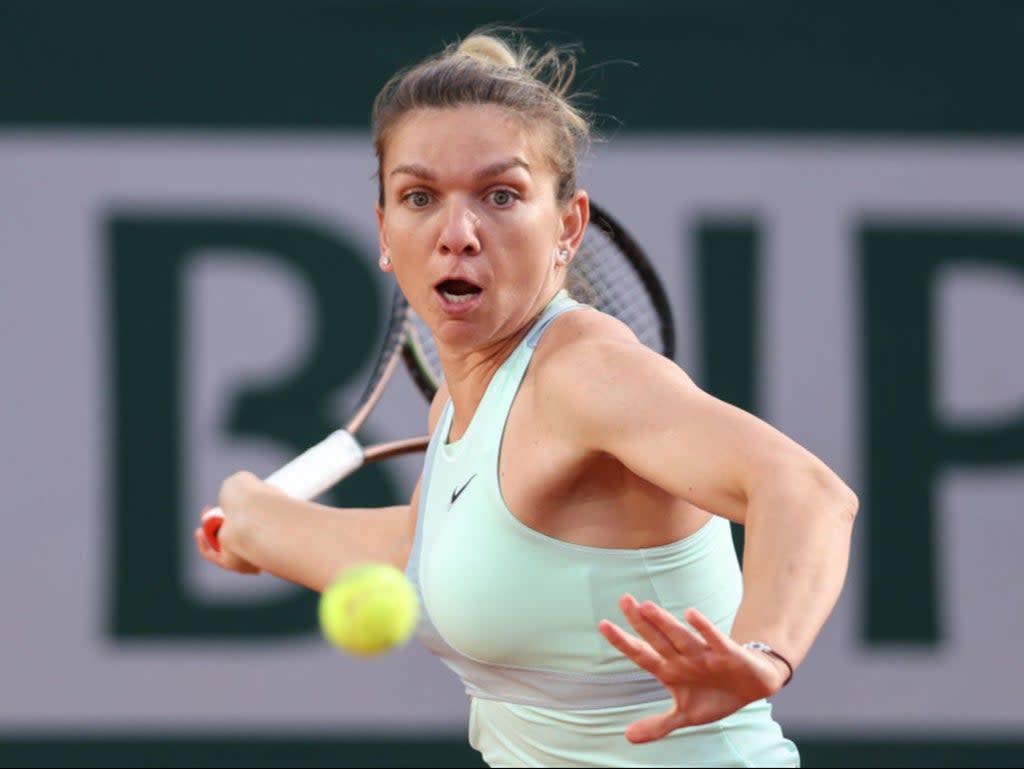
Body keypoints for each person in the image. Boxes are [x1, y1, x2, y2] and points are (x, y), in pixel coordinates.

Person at [195, 25, 858, 768]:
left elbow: (805, 490)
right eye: (419, 196)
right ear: (384, 231)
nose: (458, 232)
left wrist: (764, 652)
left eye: (501, 195)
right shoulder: (456, 405)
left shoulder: (585, 372)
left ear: (568, 227)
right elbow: (421, 554)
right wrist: (254, 519)